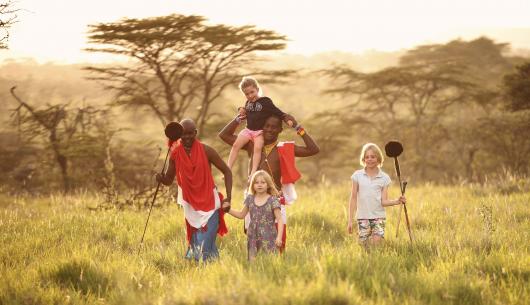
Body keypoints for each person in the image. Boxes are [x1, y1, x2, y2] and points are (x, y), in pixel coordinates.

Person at [219, 113, 319, 252]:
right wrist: (240, 117)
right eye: (267, 126)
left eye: (274, 127)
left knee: (279, 244)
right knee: (254, 243)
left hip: (274, 199)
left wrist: (297, 126)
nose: (270, 130)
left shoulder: (284, 148)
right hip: (253, 199)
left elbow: (313, 149)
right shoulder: (252, 145)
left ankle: (277, 267)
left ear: (280, 130)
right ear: (261, 127)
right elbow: (224, 135)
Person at [156, 119, 232, 261]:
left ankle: (209, 271)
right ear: (179, 135)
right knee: (200, 250)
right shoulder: (175, 154)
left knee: (203, 248)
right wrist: (160, 178)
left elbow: (227, 171)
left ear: (195, 133)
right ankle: (216, 274)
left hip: (210, 205)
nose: (187, 137)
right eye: (183, 134)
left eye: (190, 133)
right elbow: (168, 180)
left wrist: (229, 198)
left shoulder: (207, 150)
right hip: (191, 207)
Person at [227, 76, 294, 179]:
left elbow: (277, 111)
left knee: (257, 148)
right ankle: (228, 169)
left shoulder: (265, 101)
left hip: (259, 132)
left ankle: (253, 172)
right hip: (248, 130)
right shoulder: (248, 103)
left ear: (257, 89)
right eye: (247, 94)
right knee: (236, 145)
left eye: (252, 92)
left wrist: (287, 119)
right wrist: (240, 109)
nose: (250, 95)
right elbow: (245, 110)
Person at [347, 143, 406, 246]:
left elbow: (384, 201)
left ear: (378, 158)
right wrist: (350, 221)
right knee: (364, 246)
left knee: (376, 244)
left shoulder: (384, 178)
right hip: (362, 217)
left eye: (373, 157)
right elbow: (353, 198)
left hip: (378, 217)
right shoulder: (357, 176)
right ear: (363, 159)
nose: (370, 159)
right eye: (367, 157)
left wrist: (397, 201)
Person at [228, 170, 283, 260]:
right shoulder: (250, 199)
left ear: (268, 184)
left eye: (263, 182)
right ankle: (253, 272)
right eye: (256, 182)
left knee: (269, 259)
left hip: (269, 235)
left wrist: (279, 237)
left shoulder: (273, 200)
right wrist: (228, 210)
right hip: (253, 235)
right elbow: (241, 215)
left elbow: (280, 219)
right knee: (253, 260)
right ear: (252, 185)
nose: (259, 185)